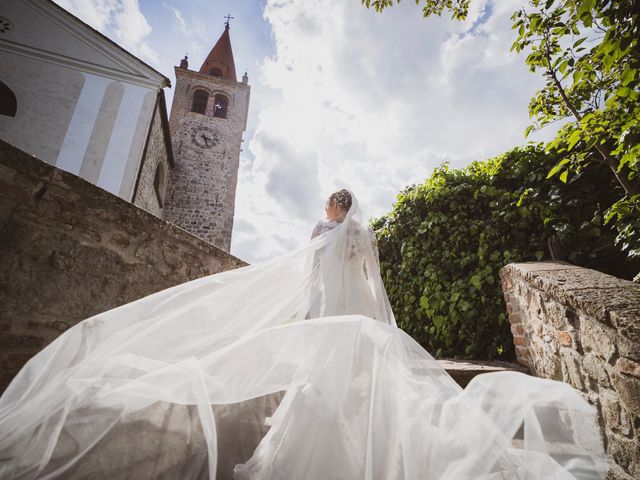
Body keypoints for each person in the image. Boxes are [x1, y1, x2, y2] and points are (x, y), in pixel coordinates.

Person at [0, 189, 607, 480]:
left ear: (331, 207)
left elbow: (310, 271)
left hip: (328, 312)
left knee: (322, 386)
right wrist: (375, 318)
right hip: (362, 316)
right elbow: (374, 285)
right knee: (365, 389)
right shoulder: (367, 238)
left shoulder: (323, 228)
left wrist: (314, 306)